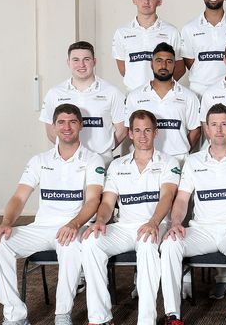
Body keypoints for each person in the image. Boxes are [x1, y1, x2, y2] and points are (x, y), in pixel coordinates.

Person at [0, 104, 105, 325]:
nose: (66, 127)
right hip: (41, 228)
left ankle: (62, 314)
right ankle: (15, 316)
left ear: (81, 125)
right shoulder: (39, 160)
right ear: (54, 126)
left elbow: (93, 201)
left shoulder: (93, 159)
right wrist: (5, 222)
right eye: (61, 122)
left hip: (74, 227)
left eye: (72, 122)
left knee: (70, 245)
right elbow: (19, 198)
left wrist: (74, 224)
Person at [160, 104, 226, 325]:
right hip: (201, 230)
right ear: (206, 129)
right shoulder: (193, 161)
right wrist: (175, 223)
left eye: (224, 124)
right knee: (169, 243)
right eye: (214, 125)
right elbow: (182, 199)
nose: (219, 129)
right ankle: (172, 315)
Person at [81, 109, 180, 325]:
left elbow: (168, 197)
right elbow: (107, 202)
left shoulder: (169, 162)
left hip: (156, 224)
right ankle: (100, 318)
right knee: (90, 242)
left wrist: (153, 222)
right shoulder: (117, 166)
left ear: (156, 133)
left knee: (146, 243)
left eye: (147, 130)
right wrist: (99, 221)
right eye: (137, 130)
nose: (142, 135)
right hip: (124, 227)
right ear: (130, 134)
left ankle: (146, 320)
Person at [40, 41, 126, 165]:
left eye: (86, 59)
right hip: (67, 163)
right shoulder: (54, 93)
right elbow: (51, 132)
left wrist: (105, 149)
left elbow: (122, 129)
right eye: (76, 60)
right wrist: (68, 150)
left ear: (94, 62)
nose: (81, 64)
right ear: (68, 62)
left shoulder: (112, 92)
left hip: (102, 162)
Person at [125, 42, 201, 165]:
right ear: (151, 64)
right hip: (145, 160)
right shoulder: (134, 96)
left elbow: (196, 130)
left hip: (179, 160)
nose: (163, 65)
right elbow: (131, 130)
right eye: (159, 60)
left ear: (174, 65)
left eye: (169, 61)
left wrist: (182, 151)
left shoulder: (189, 96)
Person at [112, 0, 184, 91]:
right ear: (134, 0)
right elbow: (123, 69)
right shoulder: (122, 32)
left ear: (159, 2)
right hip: (133, 96)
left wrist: (162, 86)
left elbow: (179, 67)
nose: (146, 1)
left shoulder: (171, 31)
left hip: (162, 94)